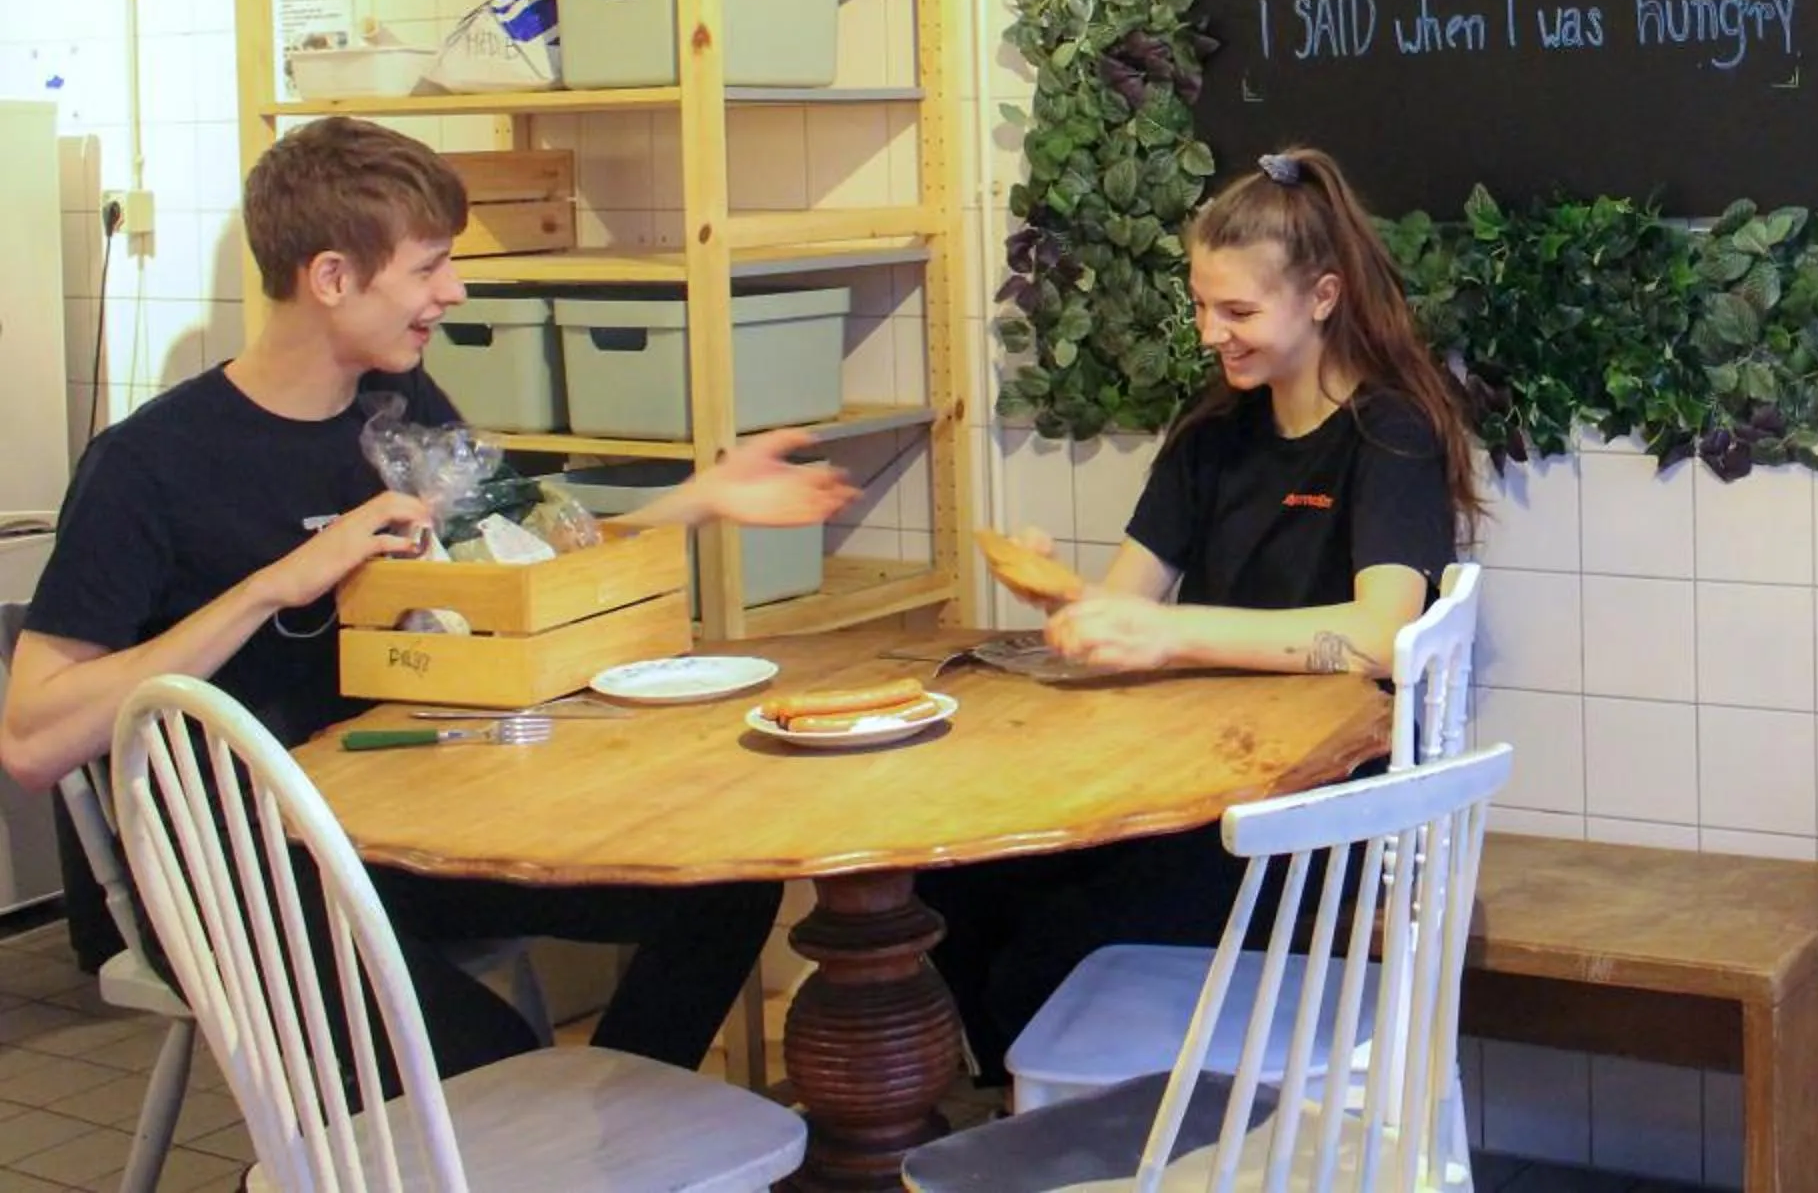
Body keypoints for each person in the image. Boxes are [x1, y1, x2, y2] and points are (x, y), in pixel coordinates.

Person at [0, 117, 851, 1079]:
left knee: (724, 890)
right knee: (495, 1061)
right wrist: (275, 586)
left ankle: (604, 1139)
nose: (452, 290)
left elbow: (524, 559)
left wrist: (699, 500)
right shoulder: (148, 467)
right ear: (331, 278)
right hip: (244, 876)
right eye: (428, 268)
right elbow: (31, 739)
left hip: (405, 835)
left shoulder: (395, 416)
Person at [921, 144, 1483, 1086]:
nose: (1211, 333)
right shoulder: (1214, 428)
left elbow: (1385, 631)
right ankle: (1044, 1121)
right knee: (951, 887)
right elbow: (1128, 610)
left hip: (1316, 805)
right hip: (1193, 776)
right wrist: (1068, 601)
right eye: (1200, 305)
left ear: (1323, 297)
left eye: (1238, 311)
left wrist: (1171, 633)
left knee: (1053, 941)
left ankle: (1098, 1133)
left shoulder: (1389, 432)